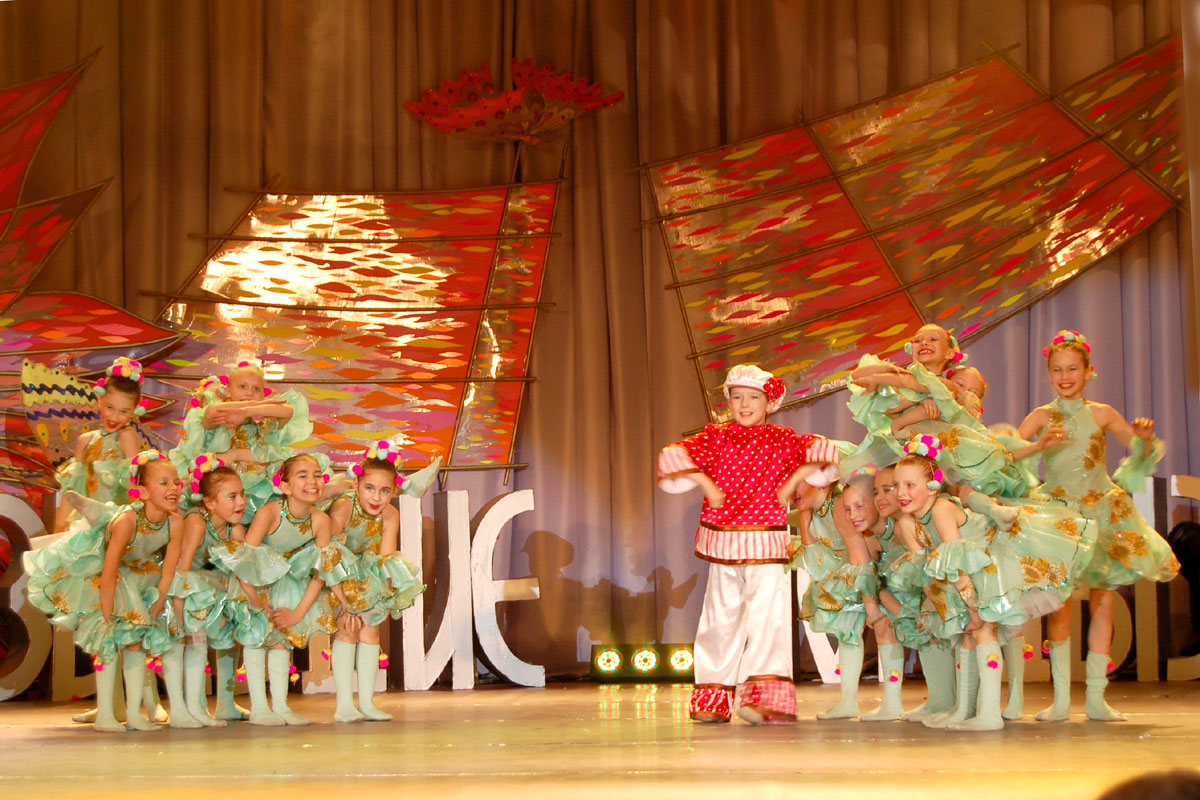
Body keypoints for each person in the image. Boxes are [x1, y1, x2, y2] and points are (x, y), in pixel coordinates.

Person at [657, 363, 837, 724]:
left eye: (753, 397)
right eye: (737, 397)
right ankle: (713, 699)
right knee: (719, 618)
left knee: (767, 618)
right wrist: (706, 483)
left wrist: (794, 481)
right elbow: (671, 456)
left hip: (766, 542)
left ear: (769, 403)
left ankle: (762, 700)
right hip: (724, 542)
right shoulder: (716, 437)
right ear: (728, 401)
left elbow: (825, 453)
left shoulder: (783, 439)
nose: (744, 404)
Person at [1015, 330, 1179, 722]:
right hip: (1059, 515)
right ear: (1048, 374)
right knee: (1059, 604)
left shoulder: (1103, 413)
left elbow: (1139, 454)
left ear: (1089, 371)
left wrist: (1143, 439)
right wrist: (1037, 446)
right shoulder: (1040, 416)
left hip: (1100, 509)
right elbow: (1006, 458)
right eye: (1057, 370)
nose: (1065, 376)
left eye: (1073, 369)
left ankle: (1095, 697)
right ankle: (1059, 700)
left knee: (1103, 598)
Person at [24, 451, 184, 731]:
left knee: (135, 643)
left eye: (176, 482)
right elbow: (108, 573)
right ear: (143, 492)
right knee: (108, 642)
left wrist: (159, 601)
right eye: (163, 482)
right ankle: (106, 715)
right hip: (105, 575)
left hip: (139, 574)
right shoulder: (128, 521)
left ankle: (134, 715)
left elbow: (168, 570)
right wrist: (108, 615)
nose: (173, 488)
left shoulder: (175, 522)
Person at [212, 453, 340, 726]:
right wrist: (255, 603)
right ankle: (259, 707)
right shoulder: (269, 513)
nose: (312, 481)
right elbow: (245, 561)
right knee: (257, 637)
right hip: (253, 582)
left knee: (282, 638)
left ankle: (281, 706)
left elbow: (321, 572)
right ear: (285, 486)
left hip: (288, 583)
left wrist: (297, 613)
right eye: (302, 476)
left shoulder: (321, 520)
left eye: (317, 475)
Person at [326, 442, 425, 722]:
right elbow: (328, 550)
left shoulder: (390, 514)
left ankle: (367, 703)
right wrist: (344, 598)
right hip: (337, 571)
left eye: (384, 491)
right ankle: (344, 705)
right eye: (369, 488)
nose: (376, 497)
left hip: (367, 575)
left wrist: (385, 595)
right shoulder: (345, 506)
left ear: (394, 491)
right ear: (356, 484)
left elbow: (385, 558)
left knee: (371, 631)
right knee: (348, 628)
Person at [168, 454, 247, 726]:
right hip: (186, 589)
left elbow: (237, 573)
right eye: (231, 496)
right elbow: (183, 568)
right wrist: (180, 609)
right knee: (191, 641)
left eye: (242, 494)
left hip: (214, 591)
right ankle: (191, 708)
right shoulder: (197, 521)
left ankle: (223, 703)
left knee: (230, 632)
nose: (240, 502)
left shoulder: (234, 530)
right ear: (210, 502)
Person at [53, 356, 147, 531]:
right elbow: (71, 493)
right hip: (84, 525)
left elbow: (133, 485)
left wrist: (135, 531)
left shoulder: (126, 436)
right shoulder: (85, 440)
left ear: (134, 411)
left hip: (113, 525)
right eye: (110, 407)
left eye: (124, 411)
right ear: (100, 399)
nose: (114, 417)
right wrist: (57, 531)